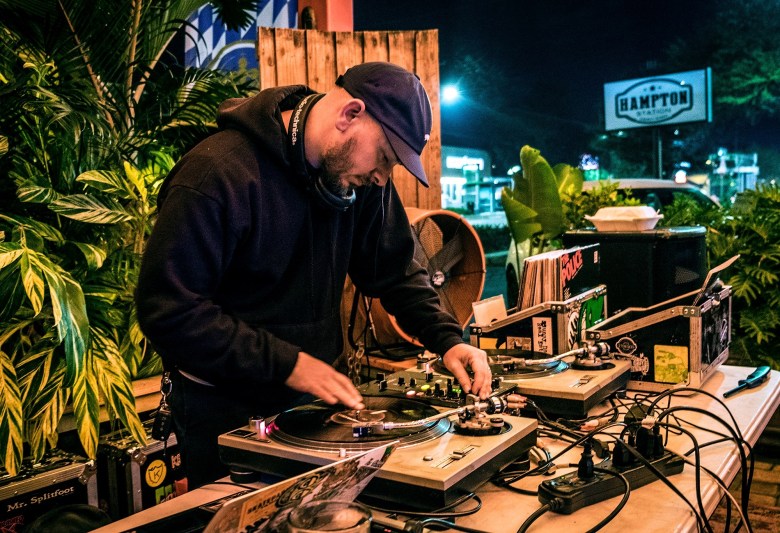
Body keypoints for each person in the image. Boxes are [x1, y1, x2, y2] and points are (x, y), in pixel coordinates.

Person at [135, 61, 492, 489]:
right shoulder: (216, 173)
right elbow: (169, 309)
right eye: (385, 157)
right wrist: (288, 364)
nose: (382, 178)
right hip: (222, 410)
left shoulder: (359, 183)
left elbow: (395, 270)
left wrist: (448, 339)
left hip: (312, 401)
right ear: (350, 114)